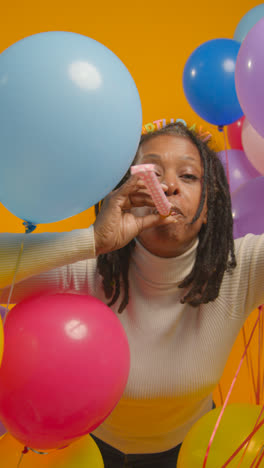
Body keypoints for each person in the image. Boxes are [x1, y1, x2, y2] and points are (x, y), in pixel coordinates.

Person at [0, 122, 263, 468]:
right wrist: (92, 241)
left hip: (194, 449)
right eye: (151, 173)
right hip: (85, 450)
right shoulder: (85, 269)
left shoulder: (240, 265)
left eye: (188, 176)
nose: (168, 186)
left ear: (210, 202)